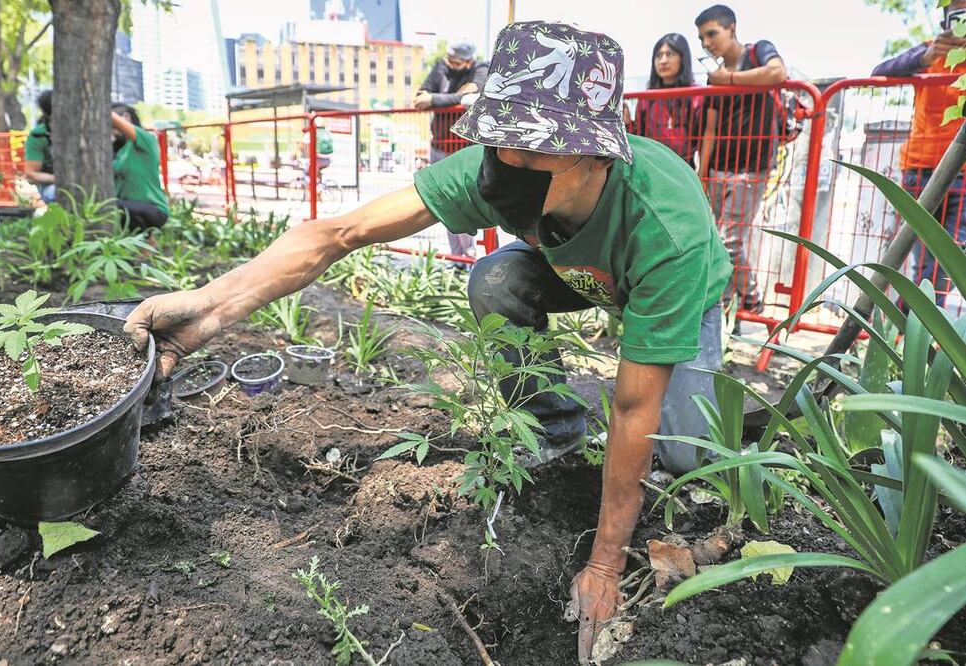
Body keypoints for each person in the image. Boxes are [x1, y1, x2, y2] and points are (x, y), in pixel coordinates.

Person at [124, 22, 731, 663]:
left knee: (687, 457)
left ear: (598, 156)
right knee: (496, 279)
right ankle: (555, 431)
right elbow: (339, 233)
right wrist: (209, 309)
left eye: (534, 155)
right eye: (499, 145)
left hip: (676, 294)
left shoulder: (666, 228)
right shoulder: (500, 170)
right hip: (571, 270)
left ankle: (735, 429)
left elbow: (632, 408)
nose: (507, 170)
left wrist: (605, 563)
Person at [872, 0, 966, 306]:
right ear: (945, 21)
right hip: (921, 170)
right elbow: (880, 71)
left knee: (947, 264)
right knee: (925, 263)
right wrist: (926, 57)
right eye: (958, 15)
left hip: (962, 177)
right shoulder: (930, 52)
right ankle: (912, 328)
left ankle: (908, 325)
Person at [696, 4, 787, 315]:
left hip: (752, 167)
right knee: (716, 242)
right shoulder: (714, 76)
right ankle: (727, 310)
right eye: (702, 38)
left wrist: (729, 79)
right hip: (718, 169)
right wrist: (702, 173)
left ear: (731, 28)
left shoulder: (758, 51)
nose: (707, 43)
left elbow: (778, 72)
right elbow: (709, 129)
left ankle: (749, 298)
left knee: (728, 243)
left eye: (712, 34)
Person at [415, 42, 490, 258]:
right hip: (440, 144)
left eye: (456, 62)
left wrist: (434, 99)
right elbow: (420, 97)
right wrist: (457, 96)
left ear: (468, 61)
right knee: (444, 204)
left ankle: (468, 254)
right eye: (450, 60)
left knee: (461, 203)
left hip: (463, 147)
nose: (450, 64)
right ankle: (457, 257)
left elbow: (474, 96)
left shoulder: (480, 69)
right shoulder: (441, 67)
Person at [627, 33, 703, 166]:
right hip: (653, 165)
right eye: (658, 55)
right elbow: (639, 134)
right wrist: (628, 123)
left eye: (669, 54)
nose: (663, 61)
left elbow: (704, 137)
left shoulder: (696, 95)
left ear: (682, 57)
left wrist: (702, 172)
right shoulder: (647, 97)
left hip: (684, 165)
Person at [112, 104, 170, 230]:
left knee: (110, 205)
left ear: (126, 118)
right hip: (129, 208)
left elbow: (111, 117)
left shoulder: (146, 140)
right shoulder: (119, 150)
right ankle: (148, 239)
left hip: (154, 209)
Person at [24, 91, 56, 203]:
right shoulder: (38, 135)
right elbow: (30, 174)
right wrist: (60, 180)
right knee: (54, 192)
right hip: (50, 186)